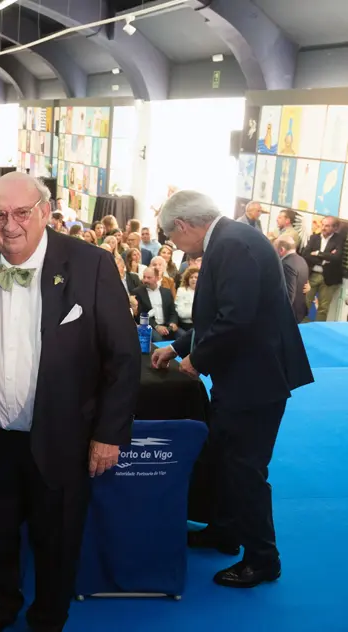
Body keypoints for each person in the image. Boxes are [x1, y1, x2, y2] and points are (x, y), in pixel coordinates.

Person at [0, 172, 140, 632]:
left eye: (22, 213)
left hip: (63, 436)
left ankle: (48, 618)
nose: (10, 225)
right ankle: (1, 606)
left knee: (58, 539)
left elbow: (124, 358)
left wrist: (109, 433)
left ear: (45, 212)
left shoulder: (91, 264)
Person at [151, 191, 312, 588]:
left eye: (173, 237)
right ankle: (225, 530)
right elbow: (218, 314)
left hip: (254, 380)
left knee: (244, 469)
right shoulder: (231, 239)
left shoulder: (232, 244)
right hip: (244, 376)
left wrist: (196, 359)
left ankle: (263, 559)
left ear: (183, 225)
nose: (177, 246)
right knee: (223, 458)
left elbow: (235, 319)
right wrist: (178, 347)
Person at [301, 215, 344, 323]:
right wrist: (325, 258)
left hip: (329, 278)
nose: (323, 228)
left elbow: (336, 257)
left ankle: (318, 329)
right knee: (304, 304)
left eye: (327, 226)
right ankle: (302, 327)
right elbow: (305, 254)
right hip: (312, 275)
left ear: (335, 228)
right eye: (323, 225)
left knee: (323, 308)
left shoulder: (339, 239)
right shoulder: (314, 237)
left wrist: (318, 253)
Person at [276, 235, 310, 323]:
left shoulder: (286, 264)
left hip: (289, 315)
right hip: (299, 312)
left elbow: (289, 294)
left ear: (281, 250)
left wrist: (279, 315)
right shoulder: (302, 260)